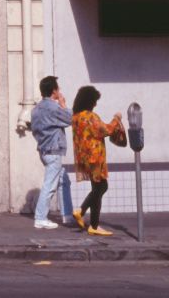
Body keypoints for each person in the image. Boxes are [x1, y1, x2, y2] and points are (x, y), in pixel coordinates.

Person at [71, 84, 122, 236]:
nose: (95, 104)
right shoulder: (90, 116)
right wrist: (116, 118)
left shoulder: (76, 117)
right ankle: (81, 210)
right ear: (89, 101)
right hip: (95, 157)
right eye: (94, 101)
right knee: (102, 187)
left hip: (83, 158)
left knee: (97, 189)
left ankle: (94, 225)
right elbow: (106, 130)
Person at [30, 74, 74, 229]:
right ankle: (40, 218)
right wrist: (63, 104)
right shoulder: (53, 107)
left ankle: (67, 215)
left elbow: (34, 130)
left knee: (63, 180)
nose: (59, 90)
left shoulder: (36, 109)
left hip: (44, 150)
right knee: (50, 185)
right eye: (57, 88)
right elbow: (70, 119)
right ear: (54, 91)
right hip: (54, 151)